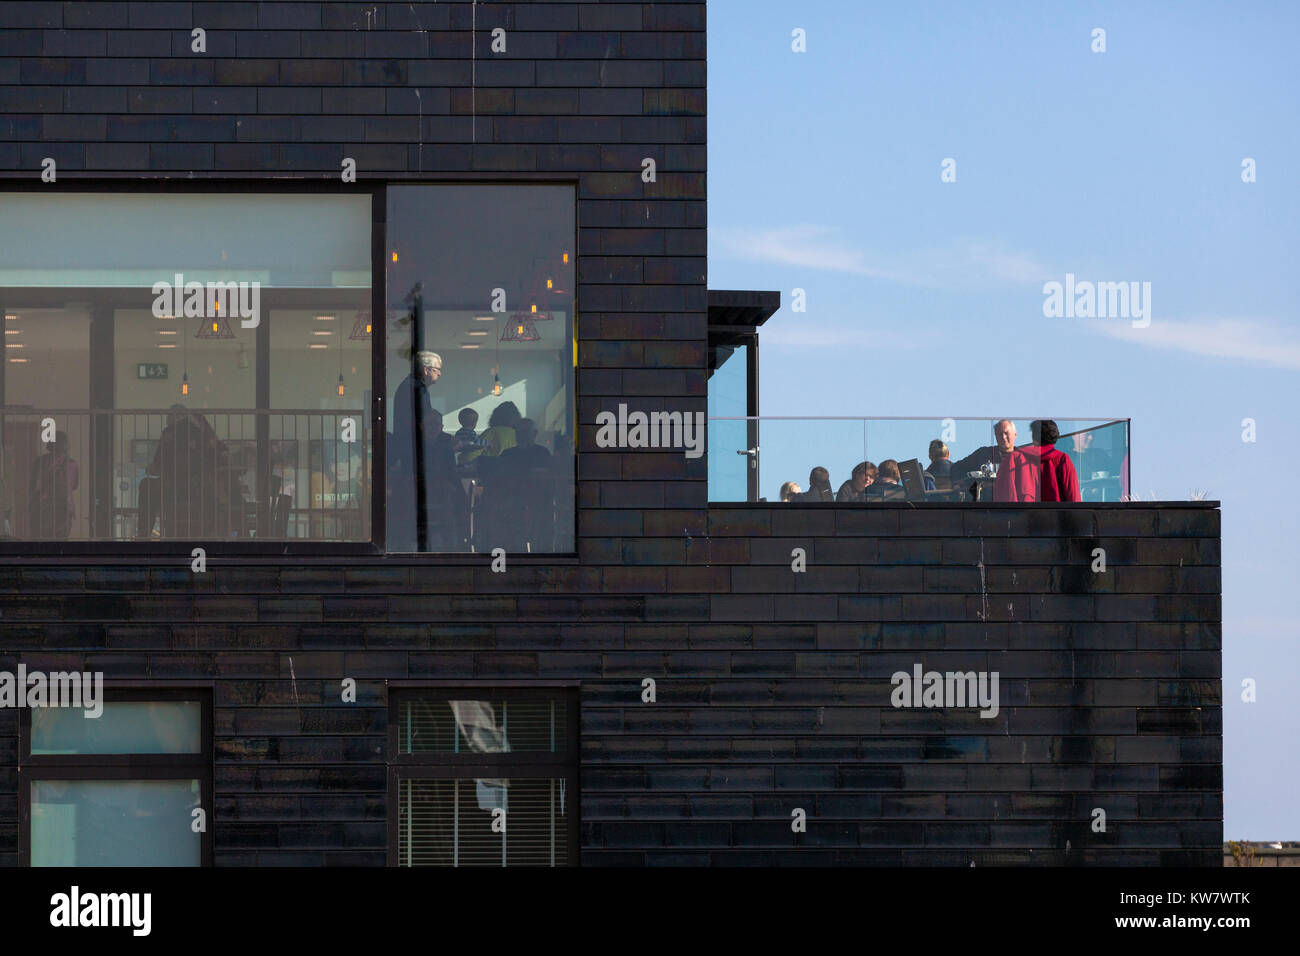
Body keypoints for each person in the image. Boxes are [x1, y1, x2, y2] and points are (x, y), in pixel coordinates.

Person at [391, 350, 442, 472]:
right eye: (437, 370)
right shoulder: (417, 388)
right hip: (414, 448)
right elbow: (423, 421)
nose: (440, 374)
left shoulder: (412, 386)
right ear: (426, 370)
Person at [29, 430, 79, 538]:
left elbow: (35, 486)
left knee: (43, 541)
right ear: (66, 444)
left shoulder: (41, 461)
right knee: (61, 542)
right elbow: (74, 485)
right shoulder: (72, 464)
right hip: (65, 506)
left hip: (44, 505)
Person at [1030, 420, 1081, 502]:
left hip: (1030, 514)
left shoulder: (1024, 461)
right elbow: (1073, 495)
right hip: (1057, 513)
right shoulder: (1062, 459)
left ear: (1034, 438)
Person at [989, 420, 1038, 502]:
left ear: (1015, 435)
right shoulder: (983, 453)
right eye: (999, 434)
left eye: (1006, 433)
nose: (1003, 437)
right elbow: (960, 468)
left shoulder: (1024, 457)